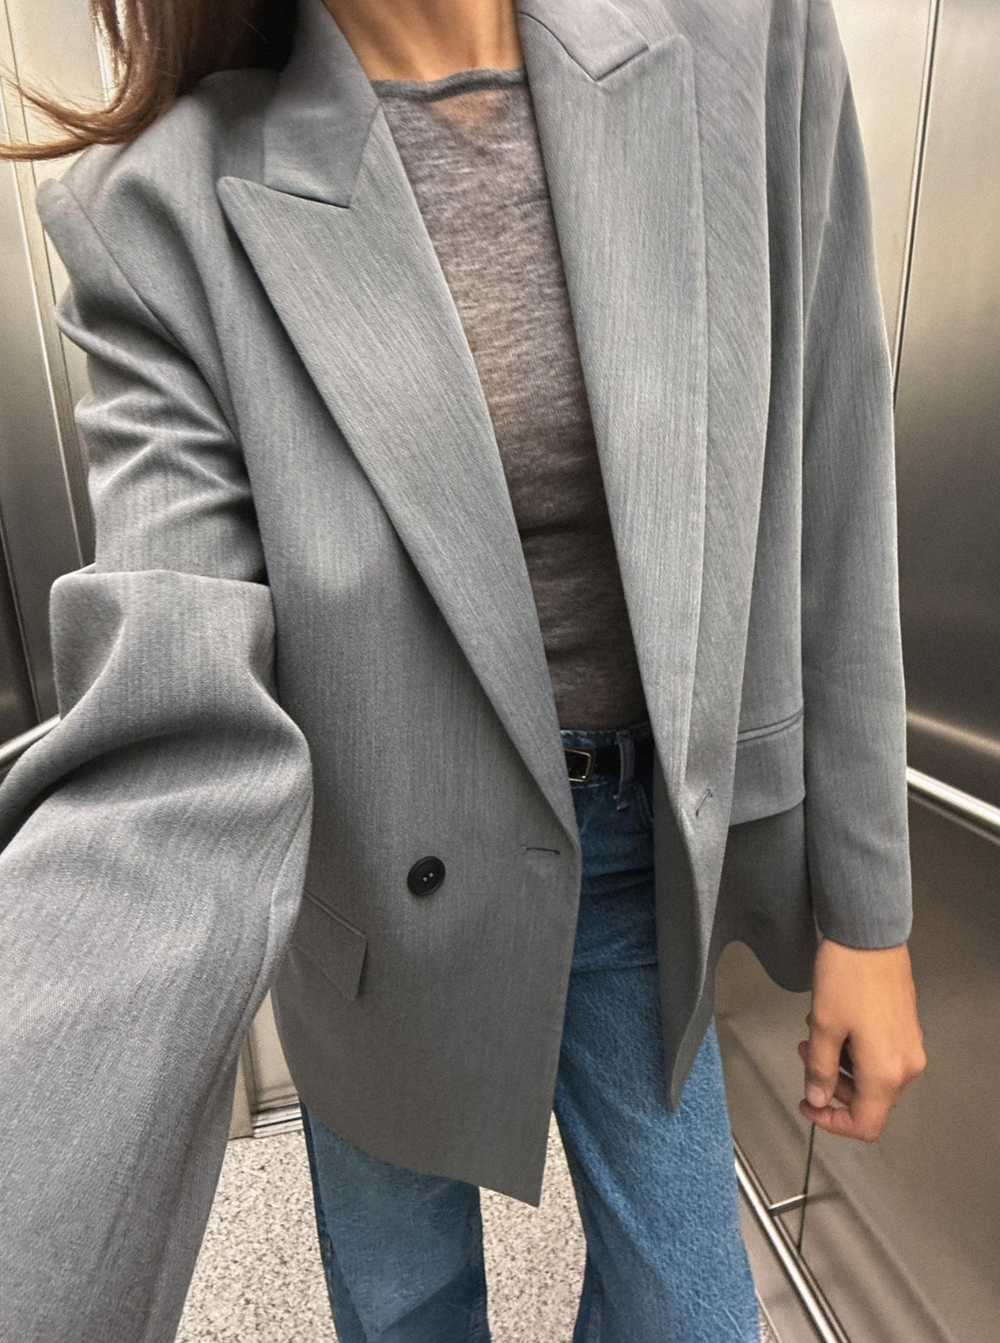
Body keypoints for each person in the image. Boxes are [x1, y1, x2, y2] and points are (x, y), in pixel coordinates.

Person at [0, 0, 927, 1339]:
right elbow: (164, 726)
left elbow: (834, 470)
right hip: (374, 889)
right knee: (406, 1308)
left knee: (694, 1311)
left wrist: (871, 914)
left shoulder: (748, 34)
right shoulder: (158, 206)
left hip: (636, 856)